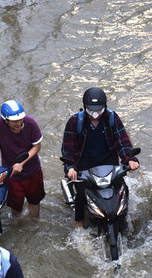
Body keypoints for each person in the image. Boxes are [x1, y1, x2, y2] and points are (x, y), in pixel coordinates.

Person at [60, 87, 140, 227]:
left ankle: (123, 218)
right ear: (85, 108)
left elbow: (123, 142)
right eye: (91, 110)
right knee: (81, 194)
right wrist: (70, 167)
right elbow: (68, 149)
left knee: (122, 187)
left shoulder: (112, 118)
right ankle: (78, 221)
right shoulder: (74, 122)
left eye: (99, 110)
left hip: (108, 160)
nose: (95, 114)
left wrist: (130, 159)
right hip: (84, 163)